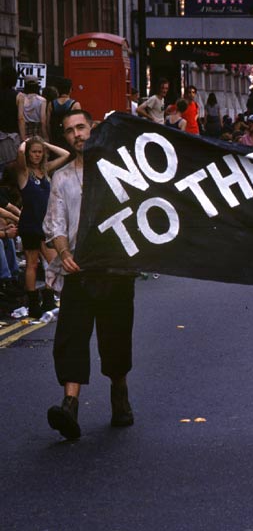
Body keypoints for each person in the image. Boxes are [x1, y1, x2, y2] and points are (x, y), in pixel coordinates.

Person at [45, 110, 139, 439]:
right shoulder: (62, 179)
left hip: (114, 270)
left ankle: (120, 395)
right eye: (70, 132)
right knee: (71, 336)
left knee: (115, 338)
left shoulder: (119, 171)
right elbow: (55, 224)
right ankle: (69, 405)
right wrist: (65, 254)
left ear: (92, 129)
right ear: (66, 138)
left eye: (81, 127)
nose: (77, 135)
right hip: (78, 271)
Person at [16, 137, 70, 320]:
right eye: (34, 151)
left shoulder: (45, 171)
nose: (37, 155)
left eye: (40, 152)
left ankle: (48, 298)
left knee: (54, 262)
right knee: (32, 263)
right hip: (30, 223)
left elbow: (66, 154)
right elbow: (21, 152)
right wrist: (28, 141)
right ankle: (33, 303)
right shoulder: (24, 173)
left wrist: (44, 144)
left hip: (46, 224)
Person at [18, 76, 48, 141]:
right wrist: (45, 136)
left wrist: (23, 138)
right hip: (37, 130)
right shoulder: (42, 100)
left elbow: (20, 118)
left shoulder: (20, 98)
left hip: (24, 130)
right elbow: (43, 121)